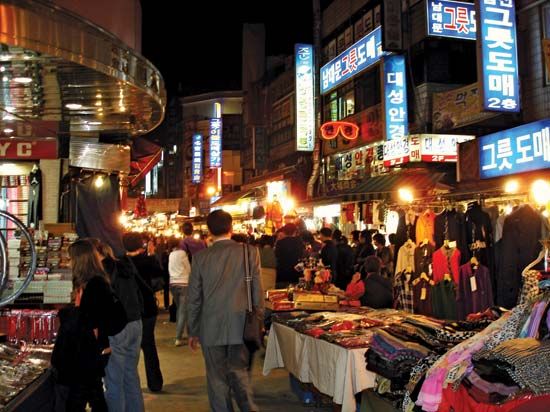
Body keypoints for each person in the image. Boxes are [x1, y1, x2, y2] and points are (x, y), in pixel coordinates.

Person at [188, 210, 264, 411]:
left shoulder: (200, 258)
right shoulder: (249, 252)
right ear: (231, 228)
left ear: (209, 231)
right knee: (239, 373)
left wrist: (193, 330)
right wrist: (259, 320)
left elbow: (194, 298)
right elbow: (257, 292)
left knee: (216, 379)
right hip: (241, 324)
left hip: (210, 326)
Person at [52, 239, 126, 412]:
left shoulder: (95, 285)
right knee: (94, 394)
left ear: (80, 260)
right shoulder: (90, 283)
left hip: (89, 351)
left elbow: (89, 320)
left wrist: (65, 314)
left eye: (70, 258)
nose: (67, 262)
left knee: (78, 398)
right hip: (88, 350)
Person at [88, 239, 145, 412]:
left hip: (118, 327)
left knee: (114, 382)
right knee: (130, 376)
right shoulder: (124, 266)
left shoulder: (103, 271)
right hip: (136, 323)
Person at [122, 232, 164, 393]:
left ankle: (129, 383)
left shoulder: (120, 263)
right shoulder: (148, 261)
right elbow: (160, 277)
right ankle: (155, 382)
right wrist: (152, 255)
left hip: (128, 310)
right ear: (141, 244)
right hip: (147, 308)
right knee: (148, 345)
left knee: (126, 348)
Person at [168, 238, 191, 347]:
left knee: (180, 310)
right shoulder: (182, 253)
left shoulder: (171, 254)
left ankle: (183, 333)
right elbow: (188, 268)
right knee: (183, 311)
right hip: (184, 283)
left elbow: (169, 269)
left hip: (173, 284)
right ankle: (179, 337)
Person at [274, 223, 305, 288]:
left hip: (282, 273)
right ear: (295, 231)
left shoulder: (280, 243)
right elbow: (302, 256)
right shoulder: (299, 242)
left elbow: (276, 256)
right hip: (296, 273)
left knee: (281, 295)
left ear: (284, 231)